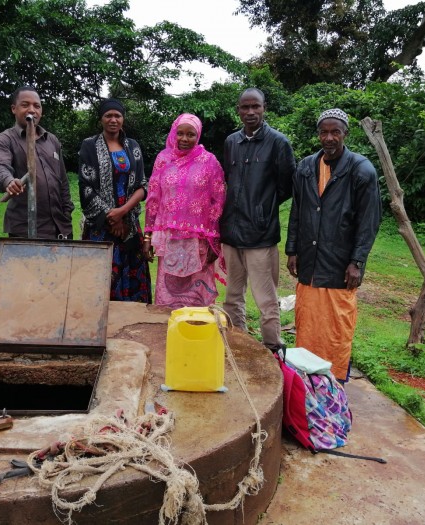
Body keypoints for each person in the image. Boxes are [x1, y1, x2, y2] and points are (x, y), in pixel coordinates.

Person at [285, 108, 381, 382]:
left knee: (337, 324)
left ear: (345, 134)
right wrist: (292, 249)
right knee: (308, 322)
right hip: (309, 259)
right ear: (318, 134)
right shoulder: (305, 167)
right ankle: (305, 377)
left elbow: (369, 221)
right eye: (324, 132)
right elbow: (298, 211)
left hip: (340, 263)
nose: (329, 138)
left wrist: (357, 262)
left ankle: (333, 380)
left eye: (335, 132)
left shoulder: (361, 170)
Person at [220, 88, 296, 352]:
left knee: (266, 300)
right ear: (238, 110)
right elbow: (228, 182)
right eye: (245, 107)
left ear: (264, 108)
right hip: (230, 231)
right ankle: (237, 343)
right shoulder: (231, 142)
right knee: (231, 297)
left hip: (260, 235)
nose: (250, 112)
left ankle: (273, 349)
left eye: (256, 107)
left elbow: (286, 186)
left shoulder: (278, 142)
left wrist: (262, 209)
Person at [143, 113, 226, 308]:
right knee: (167, 297)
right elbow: (153, 199)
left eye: (191, 134)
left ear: (198, 136)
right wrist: (147, 237)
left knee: (197, 298)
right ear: (174, 133)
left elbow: (218, 200)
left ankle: (196, 331)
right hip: (169, 238)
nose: (184, 139)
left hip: (198, 241)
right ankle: (169, 331)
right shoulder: (163, 159)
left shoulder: (209, 161)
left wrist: (214, 241)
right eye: (180, 133)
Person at [78, 98, 151, 303]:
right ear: (101, 119)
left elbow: (142, 185)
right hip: (101, 228)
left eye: (117, 115)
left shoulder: (133, 147)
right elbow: (86, 187)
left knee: (132, 277)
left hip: (129, 226)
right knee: (100, 277)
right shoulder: (89, 146)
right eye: (108, 115)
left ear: (123, 119)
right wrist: (111, 217)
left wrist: (122, 212)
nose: (113, 119)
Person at [0, 86, 74, 239]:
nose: (32, 110)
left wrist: (67, 211)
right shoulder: (5, 139)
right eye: (25, 105)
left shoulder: (51, 140)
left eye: (37, 106)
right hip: (24, 228)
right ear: (14, 109)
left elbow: (62, 179)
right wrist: (9, 181)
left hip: (59, 226)